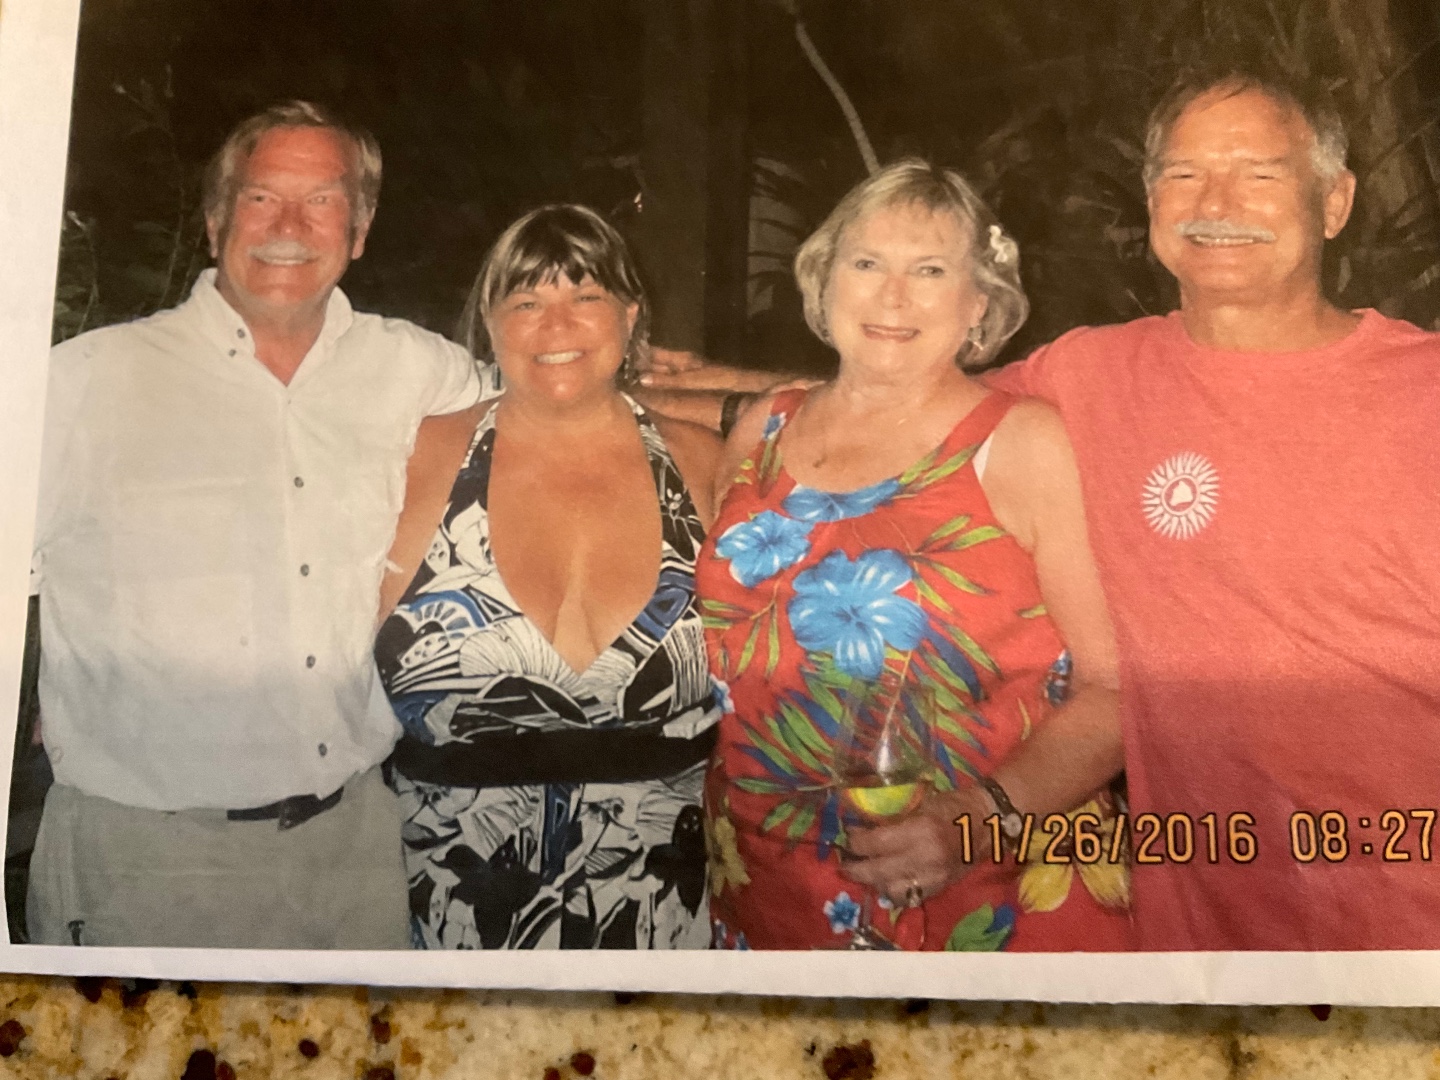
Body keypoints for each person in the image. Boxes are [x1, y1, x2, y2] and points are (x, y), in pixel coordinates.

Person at [987, 63, 1440, 950]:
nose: (1216, 202)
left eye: (1260, 173)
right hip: (1203, 957)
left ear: (1334, 202)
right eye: (1184, 174)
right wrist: (713, 397)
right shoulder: (1088, 375)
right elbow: (901, 421)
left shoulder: (1424, 394)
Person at [26, 101, 494, 949]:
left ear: (359, 229)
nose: (288, 226)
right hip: (147, 866)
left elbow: (560, 407)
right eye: (260, 198)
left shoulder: (418, 371)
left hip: (355, 855)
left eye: (322, 200)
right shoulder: (85, 384)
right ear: (214, 221)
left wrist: (739, 401)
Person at [697, 159, 1131, 952]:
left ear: (979, 303)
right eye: (867, 263)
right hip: (767, 887)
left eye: (929, 271)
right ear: (824, 280)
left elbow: (1114, 690)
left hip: (982, 894)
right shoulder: (763, 427)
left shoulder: (1022, 443)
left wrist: (977, 817)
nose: (892, 296)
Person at [373, 204, 723, 950]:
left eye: (586, 296)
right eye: (526, 302)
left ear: (631, 316)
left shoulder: (704, 462)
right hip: (448, 901)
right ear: (489, 325)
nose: (556, 325)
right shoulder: (414, 456)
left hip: (668, 902)